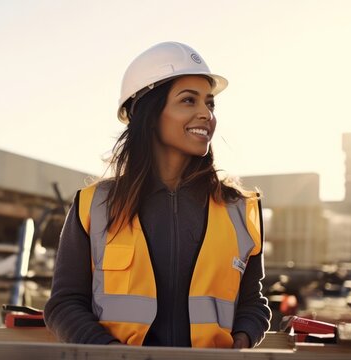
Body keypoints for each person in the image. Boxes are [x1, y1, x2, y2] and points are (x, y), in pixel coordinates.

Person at [43, 41, 271, 348]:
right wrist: (110, 354)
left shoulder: (241, 210)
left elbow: (253, 304)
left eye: (210, 103)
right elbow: (64, 304)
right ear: (150, 113)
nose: (206, 114)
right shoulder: (93, 206)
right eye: (188, 101)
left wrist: (240, 342)